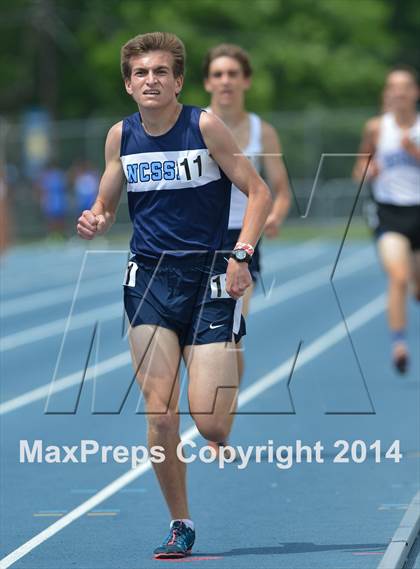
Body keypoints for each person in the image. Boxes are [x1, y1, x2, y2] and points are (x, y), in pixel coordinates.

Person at [76, 32, 272, 559]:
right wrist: (95, 218)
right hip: (149, 280)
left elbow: (259, 191)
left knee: (207, 420)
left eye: (161, 72)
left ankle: (226, 351)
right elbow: (107, 202)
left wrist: (242, 253)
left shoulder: (204, 125)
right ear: (128, 84)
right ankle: (181, 523)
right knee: (160, 412)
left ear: (179, 80)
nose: (151, 81)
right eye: (141, 74)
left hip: (210, 275)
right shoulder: (120, 136)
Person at [202, 44, 290, 408]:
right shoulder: (196, 125)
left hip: (243, 237)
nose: (225, 81)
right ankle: (215, 402)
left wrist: (274, 216)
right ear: (207, 82)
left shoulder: (261, 131)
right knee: (206, 333)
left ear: (246, 81)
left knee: (228, 326)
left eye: (232, 74)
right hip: (200, 238)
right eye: (218, 74)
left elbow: (280, 190)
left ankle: (220, 417)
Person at [353, 65, 420, 374]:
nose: (399, 92)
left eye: (405, 86)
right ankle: (399, 345)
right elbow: (360, 169)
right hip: (389, 213)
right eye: (393, 87)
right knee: (398, 276)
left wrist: (414, 152)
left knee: (416, 287)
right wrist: (369, 171)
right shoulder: (377, 128)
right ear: (387, 94)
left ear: (415, 93)